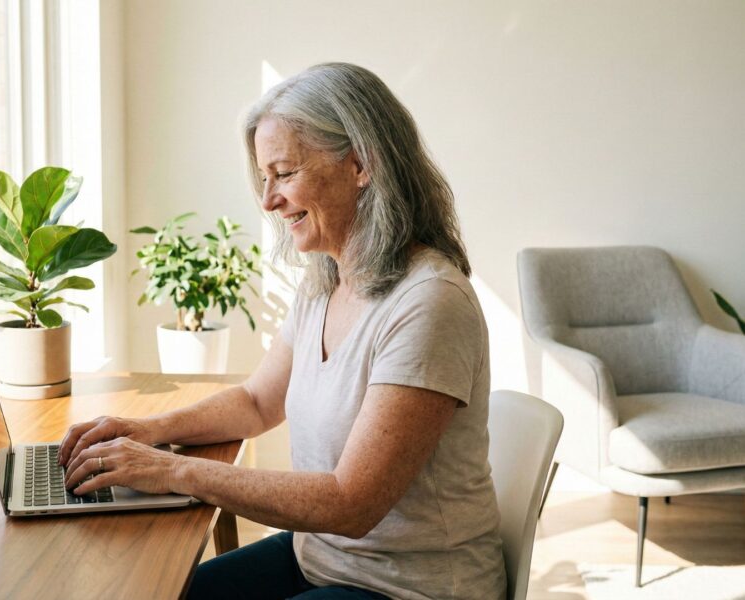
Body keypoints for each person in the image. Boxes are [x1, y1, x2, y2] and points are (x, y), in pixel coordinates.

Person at [59, 62, 506, 600]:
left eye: (284, 173)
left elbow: (352, 502)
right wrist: (147, 431)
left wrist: (171, 470)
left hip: (409, 587)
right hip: (321, 557)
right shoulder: (326, 281)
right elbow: (255, 402)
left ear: (361, 164)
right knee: (163, 592)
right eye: (264, 179)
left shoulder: (430, 302)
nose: (269, 201)